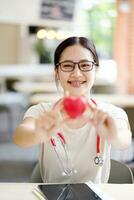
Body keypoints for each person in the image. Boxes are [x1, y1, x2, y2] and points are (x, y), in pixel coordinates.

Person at [13, 36, 132, 184]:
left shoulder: (110, 113)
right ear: (56, 71)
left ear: (96, 69)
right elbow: (20, 136)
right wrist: (38, 133)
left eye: (85, 65)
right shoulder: (42, 112)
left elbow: (124, 140)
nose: (76, 73)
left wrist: (113, 135)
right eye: (68, 65)